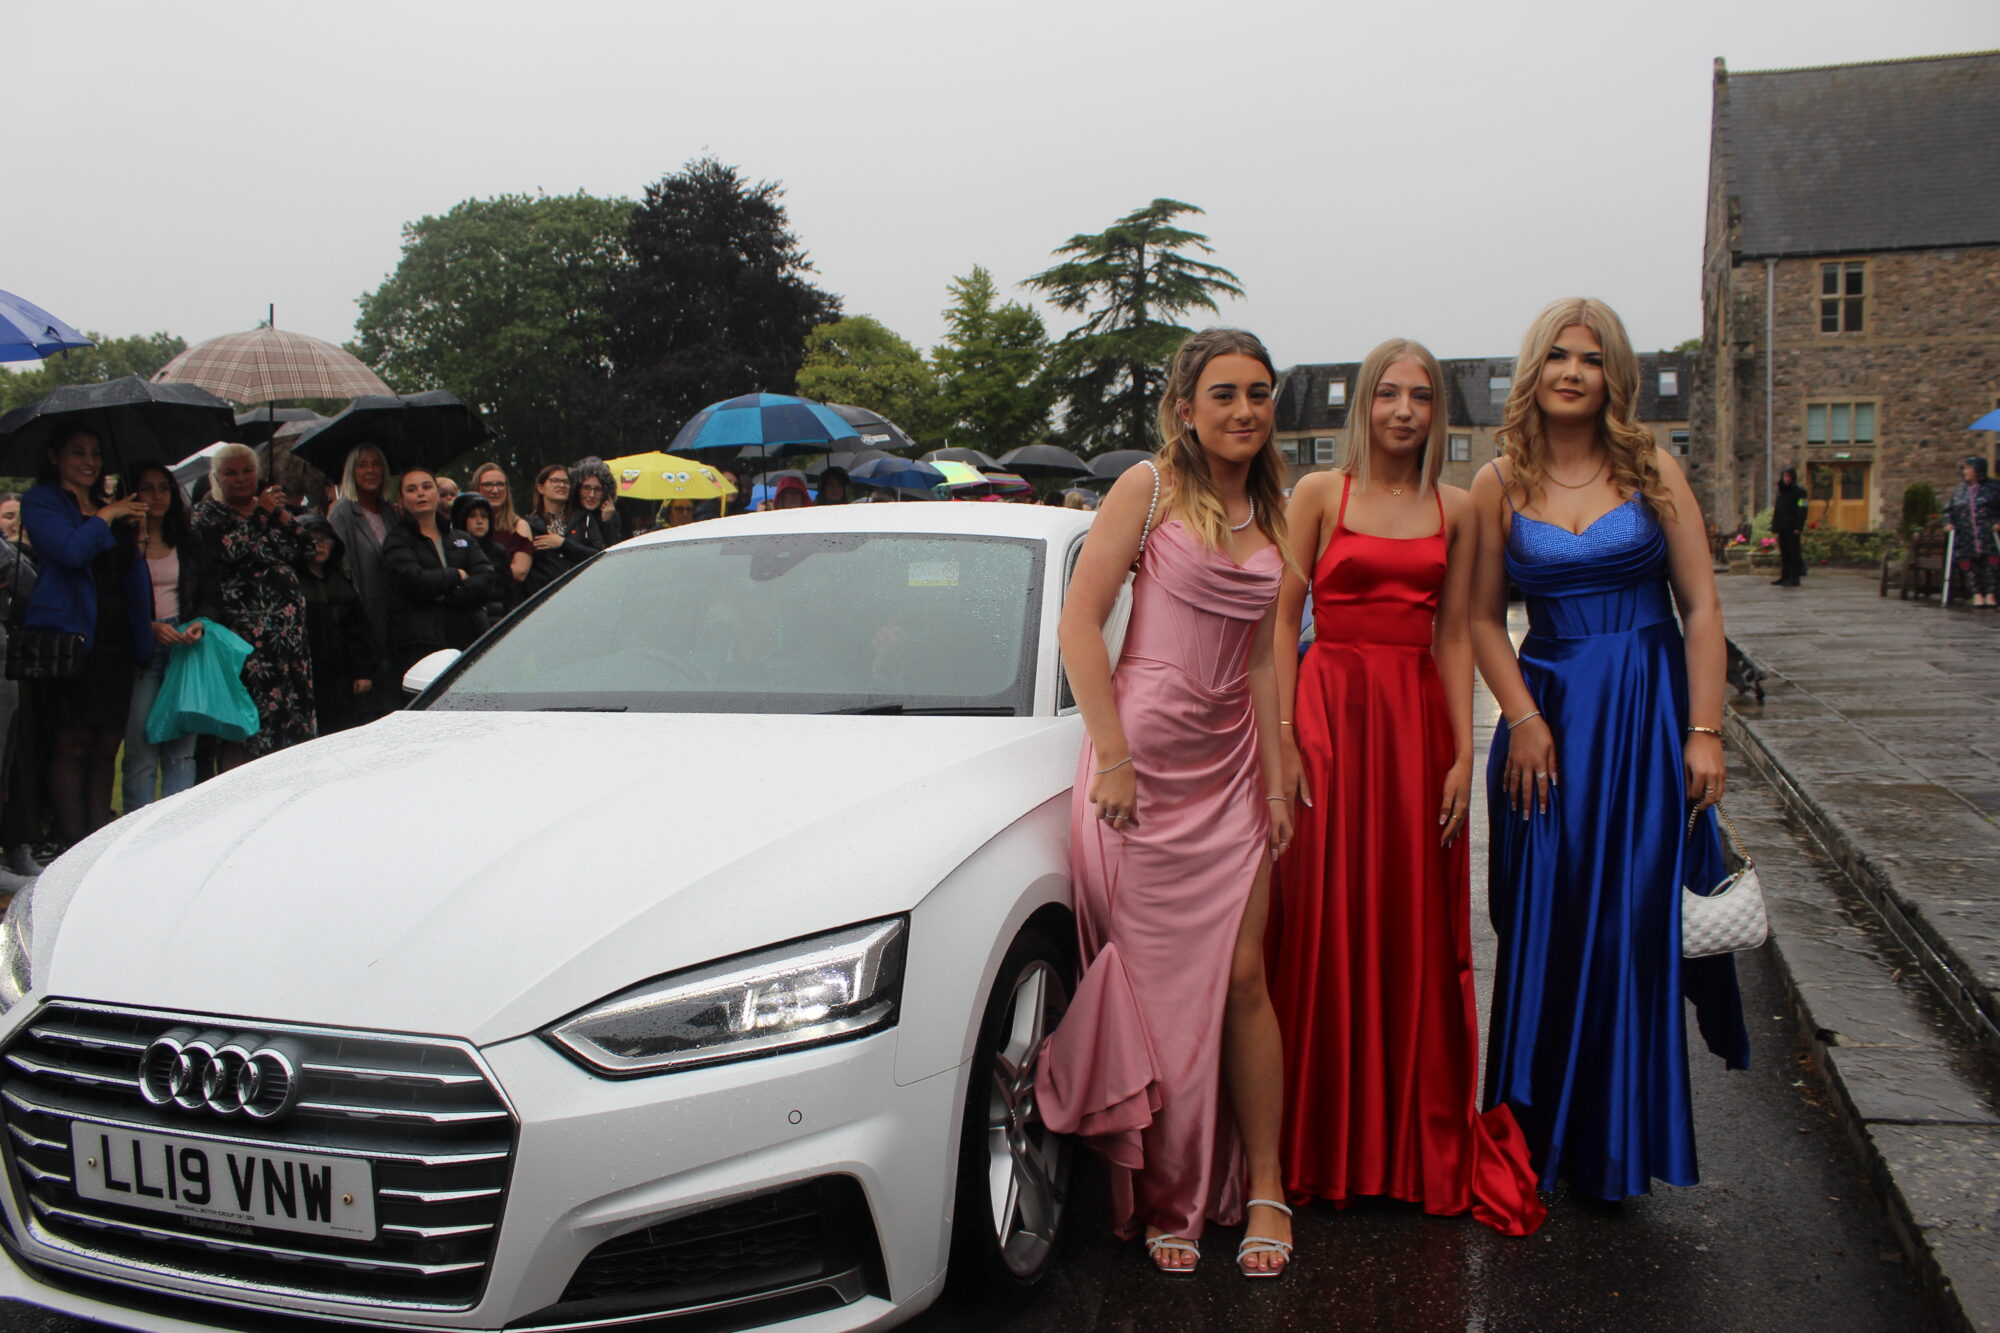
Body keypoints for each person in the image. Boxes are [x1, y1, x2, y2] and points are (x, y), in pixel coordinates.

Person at [1470, 298, 1748, 1202]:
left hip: (1645, 719)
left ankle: (1614, 1148)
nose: (1572, 371)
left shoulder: (1652, 468)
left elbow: (1700, 607)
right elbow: (1480, 618)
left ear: (1612, 374)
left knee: (1630, 927)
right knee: (1546, 924)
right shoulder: (1499, 481)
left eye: (1591, 358)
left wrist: (1704, 730)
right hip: (1545, 726)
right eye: (1558, 355)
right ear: (1534, 368)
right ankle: (1534, 1138)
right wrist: (1520, 717)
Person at [1268, 340, 1544, 1234]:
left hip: (1414, 726)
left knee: (1411, 925)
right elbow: (1280, 624)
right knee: (1322, 922)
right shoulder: (1320, 494)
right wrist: (1285, 740)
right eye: (1388, 393)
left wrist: (1462, 751)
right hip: (1330, 717)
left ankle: (1404, 1145)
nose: (1403, 410)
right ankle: (1319, 1144)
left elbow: (1458, 631)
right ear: (1365, 404)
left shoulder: (1456, 508)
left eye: (1420, 396)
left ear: (1437, 411)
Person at [1037, 329, 1296, 1278]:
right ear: (1185, 407)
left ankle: (1264, 1184)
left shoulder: (1274, 507)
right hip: (1139, 772)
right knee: (1152, 994)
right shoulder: (1148, 489)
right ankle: (1168, 1195)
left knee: (1243, 978)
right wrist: (1111, 755)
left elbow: (1264, 659)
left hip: (1230, 770)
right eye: (1224, 393)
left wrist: (1277, 776)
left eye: (1258, 392)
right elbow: (1079, 622)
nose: (1244, 410)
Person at [18, 429, 150, 849]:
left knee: (108, 741)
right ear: (54, 456)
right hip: (71, 634)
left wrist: (135, 533)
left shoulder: (114, 506)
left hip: (117, 634)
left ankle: (97, 840)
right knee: (72, 741)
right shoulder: (41, 501)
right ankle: (71, 841)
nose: (89, 461)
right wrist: (106, 516)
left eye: (95, 453)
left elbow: (129, 569)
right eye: (78, 452)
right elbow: (70, 551)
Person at [190, 443, 317, 767]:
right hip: (248, 637)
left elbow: (306, 549)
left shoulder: (268, 510)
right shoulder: (209, 513)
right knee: (250, 722)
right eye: (231, 472)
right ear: (217, 477)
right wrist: (261, 512)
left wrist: (280, 513)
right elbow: (233, 550)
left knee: (294, 717)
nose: (240, 478)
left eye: (247, 470)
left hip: (288, 638)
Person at [122, 459, 221, 811]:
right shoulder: (120, 545)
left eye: (164, 488)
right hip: (143, 649)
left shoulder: (189, 541)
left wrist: (200, 623)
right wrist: (146, 626)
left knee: (182, 752)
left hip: (184, 646)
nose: (157, 496)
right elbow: (114, 600)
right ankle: (137, 827)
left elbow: (210, 594)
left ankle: (177, 826)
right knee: (141, 750)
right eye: (147, 488)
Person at [381, 469, 496, 679]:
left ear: (436, 493)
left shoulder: (461, 537)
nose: (421, 493)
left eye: (427, 487)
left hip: (469, 640)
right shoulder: (397, 540)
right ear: (401, 499)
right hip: (423, 646)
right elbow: (414, 582)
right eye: (412, 489)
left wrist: (448, 595)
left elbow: (487, 579)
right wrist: (456, 575)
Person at [325, 444, 396, 706]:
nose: (370, 470)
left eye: (376, 464)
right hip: (365, 620)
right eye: (362, 465)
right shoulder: (342, 513)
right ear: (351, 472)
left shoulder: (391, 512)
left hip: (395, 617)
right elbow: (343, 572)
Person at [298, 516, 379, 734]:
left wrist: (362, 671)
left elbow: (358, 630)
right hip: (308, 676)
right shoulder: (292, 582)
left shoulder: (341, 581)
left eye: (325, 540)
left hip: (341, 677)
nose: (320, 546)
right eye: (313, 540)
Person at [523, 464, 600, 596]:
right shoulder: (528, 524)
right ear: (540, 488)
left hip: (580, 592)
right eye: (555, 481)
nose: (561, 485)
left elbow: (599, 555)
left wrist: (564, 544)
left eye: (565, 482)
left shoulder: (584, 519)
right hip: (543, 596)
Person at [469, 462, 534, 608]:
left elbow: (520, 572)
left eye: (500, 484)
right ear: (476, 488)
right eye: (488, 485)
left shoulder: (518, 525)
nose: (495, 490)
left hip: (510, 605)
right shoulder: (464, 526)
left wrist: (477, 575)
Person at [1946, 456, 2000, 608]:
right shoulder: (1960, 490)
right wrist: (1948, 522)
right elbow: (1949, 510)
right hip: (1967, 535)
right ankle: (1976, 594)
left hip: (1988, 534)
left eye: (1969, 468)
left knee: (1992, 564)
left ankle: (1991, 594)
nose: (1965, 471)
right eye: (1964, 468)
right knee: (1969, 565)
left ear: (1979, 470)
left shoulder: (1994, 487)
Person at [452, 493, 512, 621]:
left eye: (484, 516)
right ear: (461, 518)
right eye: (472, 516)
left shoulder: (499, 551)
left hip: (500, 622)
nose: (480, 521)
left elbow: (509, 592)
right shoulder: (453, 549)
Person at [570, 461, 624, 547]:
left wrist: (606, 522)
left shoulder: (612, 515)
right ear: (577, 489)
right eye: (586, 488)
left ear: (605, 493)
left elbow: (613, 549)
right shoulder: (568, 513)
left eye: (598, 489)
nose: (592, 495)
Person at [1771, 465, 1807, 587]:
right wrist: (1775, 525)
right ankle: (1785, 576)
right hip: (1782, 526)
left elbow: (1803, 508)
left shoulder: (1800, 492)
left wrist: (1799, 526)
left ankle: (1794, 578)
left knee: (1793, 553)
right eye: (1784, 476)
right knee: (1784, 553)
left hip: (1793, 527)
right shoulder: (1781, 491)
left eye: (1788, 476)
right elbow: (1778, 509)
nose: (1786, 479)